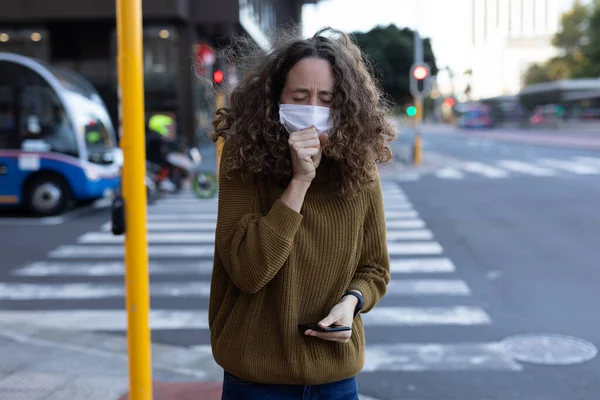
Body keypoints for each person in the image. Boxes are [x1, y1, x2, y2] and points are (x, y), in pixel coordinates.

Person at [208, 27, 397, 399]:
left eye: (326, 98)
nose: (313, 107)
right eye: (300, 96)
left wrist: (352, 302)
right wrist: (299, 181)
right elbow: (248, 271)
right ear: (276, 97)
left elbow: (375, 268)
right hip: (256, 381)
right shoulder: (242, 156)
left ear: (344, 103)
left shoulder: (359, 164)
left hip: (335, 378)